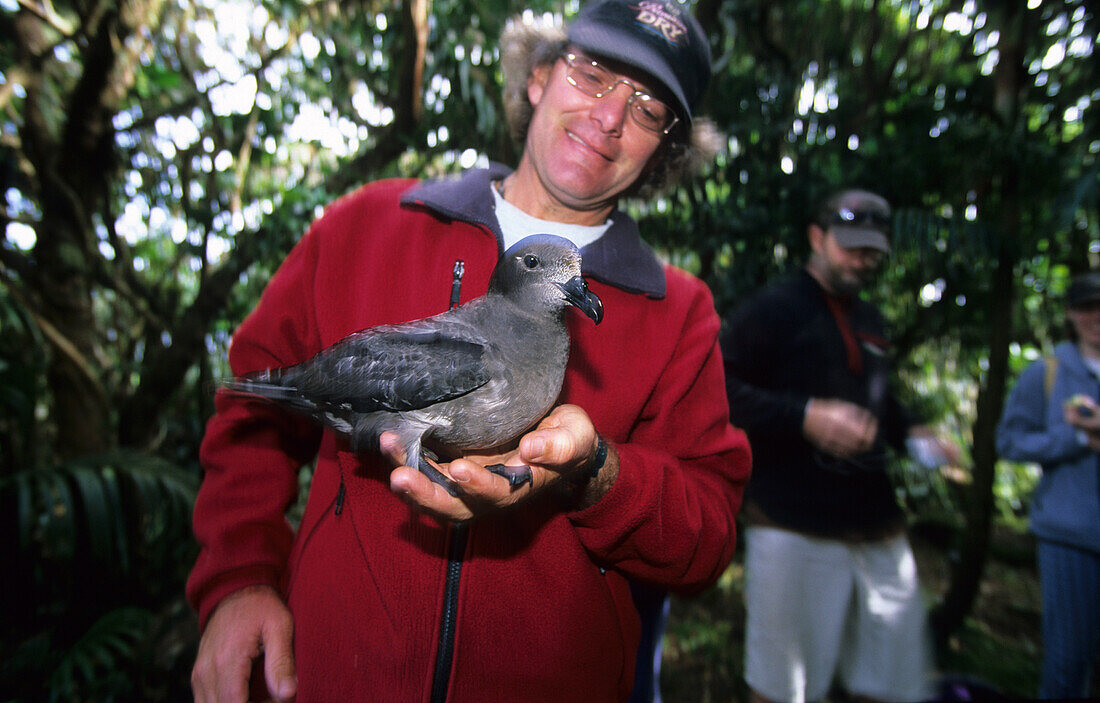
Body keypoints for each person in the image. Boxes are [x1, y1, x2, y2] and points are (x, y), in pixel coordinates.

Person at [186, 1, 751, 702]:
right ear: (540, 75)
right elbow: (249, 409)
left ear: (665, 147)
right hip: (334, 678)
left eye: (646, 108)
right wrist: (238, 577)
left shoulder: (682, 313)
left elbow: (707, 540)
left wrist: (595, 474)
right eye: (594, 73)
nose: (609, 117)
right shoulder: (368, 223)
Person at [721, 188, 959, 703]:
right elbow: (720, 389)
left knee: (895, 682)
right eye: (851, 245)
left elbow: (878, 397)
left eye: (872, 249)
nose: (862, 258)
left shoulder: (870, 319)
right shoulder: (773, 308)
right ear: (816, 237)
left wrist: (914, 431)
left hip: (878, 528)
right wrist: (804, 416)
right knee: (785, 688)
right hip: (793, 525)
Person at [996, 271, 1100, 699]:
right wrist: (1076, 438)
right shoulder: (1048, 373)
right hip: (1069, 537)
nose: (1097, 317)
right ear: (1073, 315)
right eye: (1087, 307)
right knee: (1067, 663)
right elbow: (1010, 442)